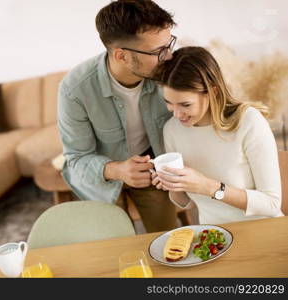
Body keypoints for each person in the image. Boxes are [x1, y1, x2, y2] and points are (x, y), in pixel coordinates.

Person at [57, 0, 179, 233]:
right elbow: (77, 159)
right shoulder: (74, 90)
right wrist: (118, 170)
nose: (169, 56)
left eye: (169, 44)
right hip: (102, 177)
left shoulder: (169, 72)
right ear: (121, 55)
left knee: (167, 237)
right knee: (116, 245)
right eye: (157, 51)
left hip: (151, 168)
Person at [151, 46, 284, 224]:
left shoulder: (248, 121)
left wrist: (209, 187)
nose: (176, 114)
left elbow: (271, 204)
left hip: (263, 229)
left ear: (213, 91)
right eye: (169, 103)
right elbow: (186, 203)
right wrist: (172, 185)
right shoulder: (172, 130)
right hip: (215, 238)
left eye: (185, 105)